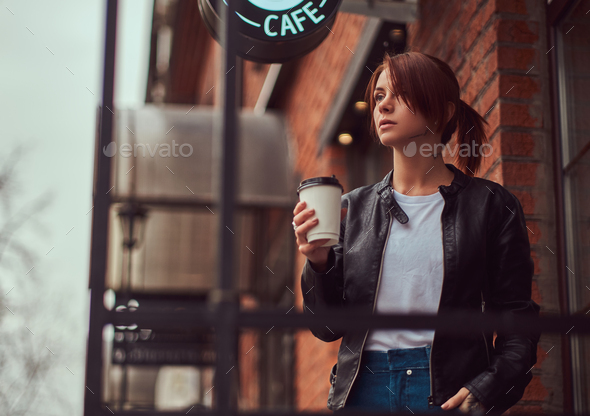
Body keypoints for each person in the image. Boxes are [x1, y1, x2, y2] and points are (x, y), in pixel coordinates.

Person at [293, 51, 541, 415]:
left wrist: (487, 387)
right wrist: (318, 263)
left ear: (444, 110)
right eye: (378, 96)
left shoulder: (489, 204)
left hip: (446, 390)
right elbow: (327, 328)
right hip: (363, 392)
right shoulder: (352, 209)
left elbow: (518, 319)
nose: (383, 105)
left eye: (400, 92)